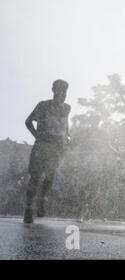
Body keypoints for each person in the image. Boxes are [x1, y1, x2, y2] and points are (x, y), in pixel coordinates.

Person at [24, 80, 71, 223]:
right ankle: (28, 210)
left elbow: (65, 124)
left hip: (57, 149)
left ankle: (41, 201)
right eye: (59, 91)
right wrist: (36, 135)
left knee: (50, 177)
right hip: (42, 146)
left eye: (64, 91)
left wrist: (67, 137)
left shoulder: (67, 108)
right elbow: (28, 121)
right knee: (36, 177)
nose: (62, 94)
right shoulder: (43, 105)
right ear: (53, 90)